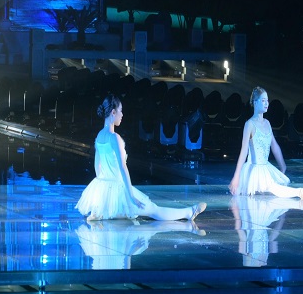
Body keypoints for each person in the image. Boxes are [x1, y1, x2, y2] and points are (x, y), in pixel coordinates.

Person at [76, 94, 207, 222]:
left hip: (104, 188)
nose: (122, 115)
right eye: (121, 111)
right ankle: (190, 212)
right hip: (118, 189)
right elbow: (122, 167)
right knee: (154, 210)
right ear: (113, 112)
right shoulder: (114, 137)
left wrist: (102, 196)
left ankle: (101, 212)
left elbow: (97, 167)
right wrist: (131, 196)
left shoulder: (99, 135)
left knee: (137, 210)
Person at [229, 87, 303, 199]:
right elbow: (244, 151)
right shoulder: (249, 124)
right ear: (255, 102)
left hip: (265, 166)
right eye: (263, 100)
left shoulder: (267, 123)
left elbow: (274, 146)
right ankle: (299, 192)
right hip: (253, 170)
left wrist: (282, 165)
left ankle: (298, 192)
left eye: (267, 100)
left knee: (273, 186)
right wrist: (236, 176)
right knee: (271, 187)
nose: (266, 103)